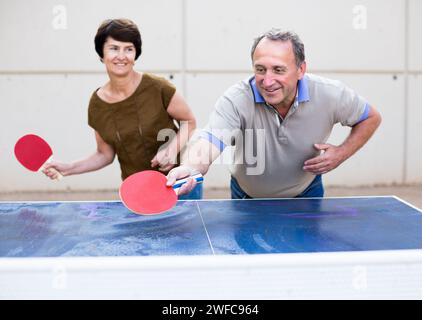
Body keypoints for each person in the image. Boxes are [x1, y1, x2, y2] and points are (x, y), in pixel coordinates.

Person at [167, 29, 381, 199]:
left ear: (301, 70)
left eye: (278, 70)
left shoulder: (330, 93)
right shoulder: (236, 99)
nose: (267, 81)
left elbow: (370, 117)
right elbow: (210, 141)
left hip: (307, 193)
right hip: (246, 196)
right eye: (260, 69)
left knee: (309, 254)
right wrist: (189, 168)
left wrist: (342, 153)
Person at [43, 18, 202, 199]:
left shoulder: (158, 87)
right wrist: (68, 168)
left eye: (129, 49)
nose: (121, 56)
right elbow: (105, 154)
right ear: (101, 54)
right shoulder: (97, 105)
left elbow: (189, 121)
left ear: (135, 54)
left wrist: (172, 149)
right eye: (114, 48)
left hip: (180, 186)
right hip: (138, 192)